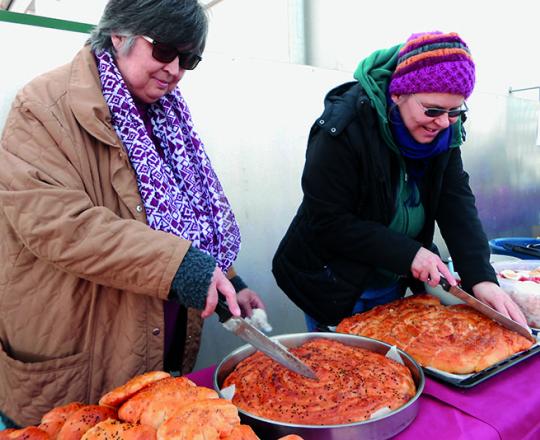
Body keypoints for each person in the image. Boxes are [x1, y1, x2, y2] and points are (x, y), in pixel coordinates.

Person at [0, 0, 264, 428]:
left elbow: (185, 218)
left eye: (189, 59)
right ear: (119, 35)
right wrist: (182, 267)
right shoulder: (44, 107)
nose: (175, 69)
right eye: (164, 51)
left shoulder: (167, 115)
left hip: (156, 346)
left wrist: (227, 281)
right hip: (83, 352)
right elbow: (59, 225)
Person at [272, 31, 528, 332]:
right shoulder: (343, 128)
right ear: (398, 93)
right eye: (432, 110)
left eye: (455, 111)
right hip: (332, 279)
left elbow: (456, 202)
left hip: (391, 276)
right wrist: (409, 253)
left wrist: (481, 278)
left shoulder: (444, 132)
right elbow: (328, 221)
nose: (443, 122)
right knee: (339, 369)